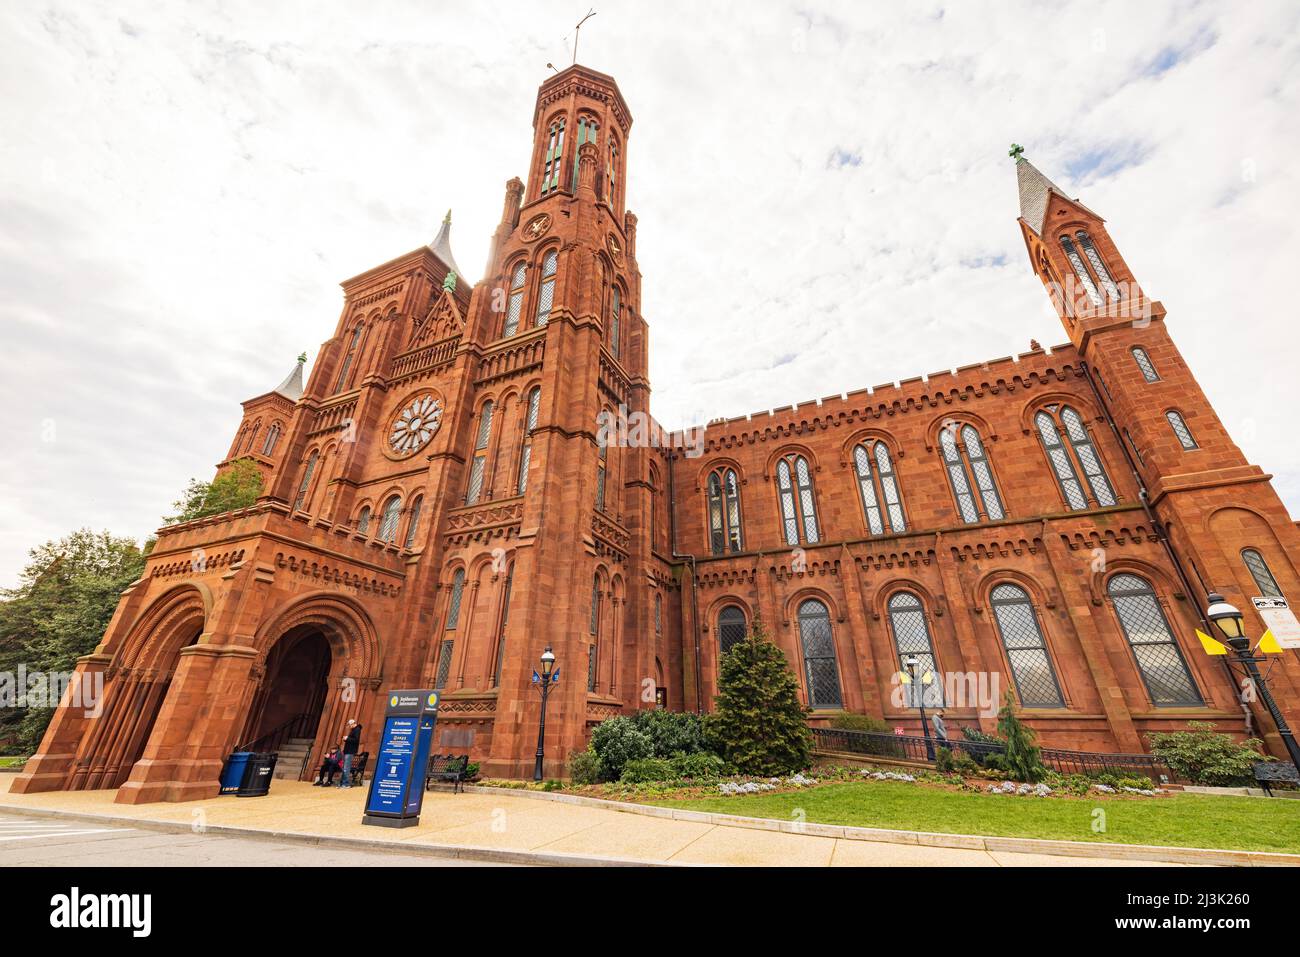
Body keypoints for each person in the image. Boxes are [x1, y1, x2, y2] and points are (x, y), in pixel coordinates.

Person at [339, 719, 362, 788]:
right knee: (344, 767)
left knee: (346, 767)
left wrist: (347, 738)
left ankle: (346, 784)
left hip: (350, 751)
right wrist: (346, 739)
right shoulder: (353, 730)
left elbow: (356, 740)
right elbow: (352, 740)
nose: (349, 726)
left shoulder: (357, 729)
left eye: (349, 725)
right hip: (347, 750)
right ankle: (342, 783)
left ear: (353, 723)